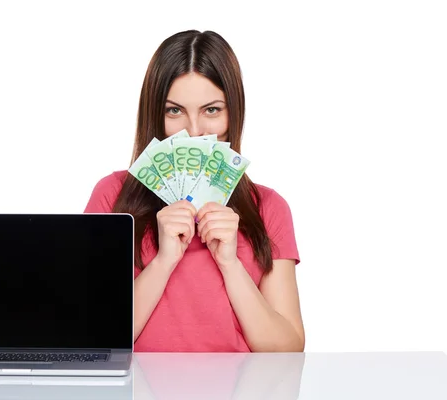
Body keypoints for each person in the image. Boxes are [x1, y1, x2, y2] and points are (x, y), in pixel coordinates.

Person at [84, 30, 305, 352]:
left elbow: (287, 350)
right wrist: (163, 261)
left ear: (234, 112)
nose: (194, 130)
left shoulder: (268, 207)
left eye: (212, 110)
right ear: (154, 114)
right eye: (174, 110)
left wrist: (230, 264)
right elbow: (95, 338)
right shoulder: (112, 196)